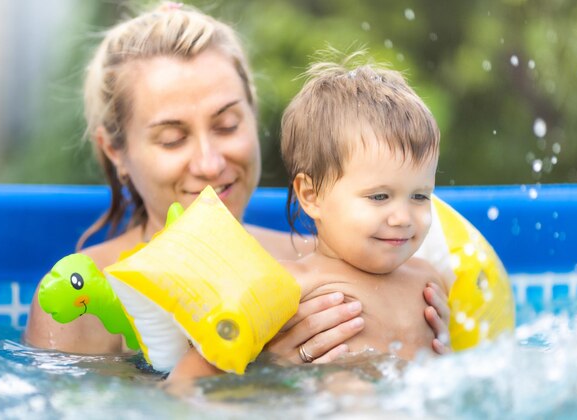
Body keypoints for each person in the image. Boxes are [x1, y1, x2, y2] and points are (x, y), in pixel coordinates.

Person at [23, 3, 450, 365]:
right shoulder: (81, 306)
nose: (210, 164)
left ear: (253, 114)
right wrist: (259, 366)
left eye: (227, 125)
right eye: (173, 138)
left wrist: (426, 341)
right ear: (116, 152)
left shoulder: (327, 258)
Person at [169, 57, 448, 380]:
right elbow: (191, 375)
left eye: (420, 196)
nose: (402, 218)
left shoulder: (429, 282)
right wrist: (269, 369)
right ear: (311, 196)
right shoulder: (288, 287)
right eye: (379, 197)